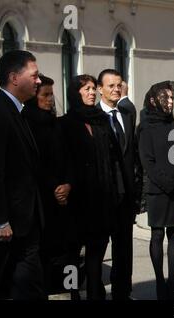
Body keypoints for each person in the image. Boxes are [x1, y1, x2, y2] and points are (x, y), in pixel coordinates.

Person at [60, 74, 124, 300]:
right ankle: (72, 291)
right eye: (86, 89)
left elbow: (113, 157)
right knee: (72, 254)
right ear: (76, 93)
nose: (91, 92)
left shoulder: (101, 120)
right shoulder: (66, 123)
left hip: (101, 199)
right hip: (76, 201)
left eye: (92, 89)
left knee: (96, 253)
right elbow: (63, 160)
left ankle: (95, 293)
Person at [138, 81, 174, 300]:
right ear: (154, 100)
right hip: (158, 190)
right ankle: (160, 281)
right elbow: (147, 163)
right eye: (165, 98)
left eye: (172, 98)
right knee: (157, 234)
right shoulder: (145, 128)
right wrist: (167, 184)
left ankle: (172, 283)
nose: (170, 102)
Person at [0, 50, 44, 300]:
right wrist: (0, 220)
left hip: (26, 223)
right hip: (10, 227)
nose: (38, 81)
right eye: (34, 76)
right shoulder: (1, 113)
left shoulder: (19, 112)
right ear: (14, 78)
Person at [22, 75, 73, 295]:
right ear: (34, 97)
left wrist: (68, 184)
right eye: (45, 95)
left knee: (64, 250)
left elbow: (69, 157)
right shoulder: (26, 123)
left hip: (63, 196)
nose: (51, 99)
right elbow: (33, 163)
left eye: (52, 94)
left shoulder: (56, 124)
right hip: (42, 198)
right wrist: (54, 187)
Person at [96, 69, 137, 300]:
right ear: (100, 89)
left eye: (119, 85)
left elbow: (132, 154)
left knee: (124, 249)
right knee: (98, 249)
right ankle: (97, 292)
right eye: (110, 85)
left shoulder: (126, 114)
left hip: (125, 196)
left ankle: (123, 292)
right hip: (104, 195)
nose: (116, 89)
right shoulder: (94, 117)